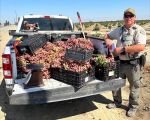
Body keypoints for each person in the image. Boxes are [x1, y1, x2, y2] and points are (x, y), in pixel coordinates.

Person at [104, 8, 146, 117]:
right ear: (123, 17)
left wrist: (121, 50)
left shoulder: (139, 30)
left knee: (134, 87)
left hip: (133, 64)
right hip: (120, 63)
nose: (128, 18)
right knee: (116, 84)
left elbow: (141, 47)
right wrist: (109, 43)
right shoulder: (118, 30)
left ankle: (133, 107)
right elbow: (107, 36)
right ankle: (117, 102)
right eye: (126, 16)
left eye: (130, 16)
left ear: (134, 18)